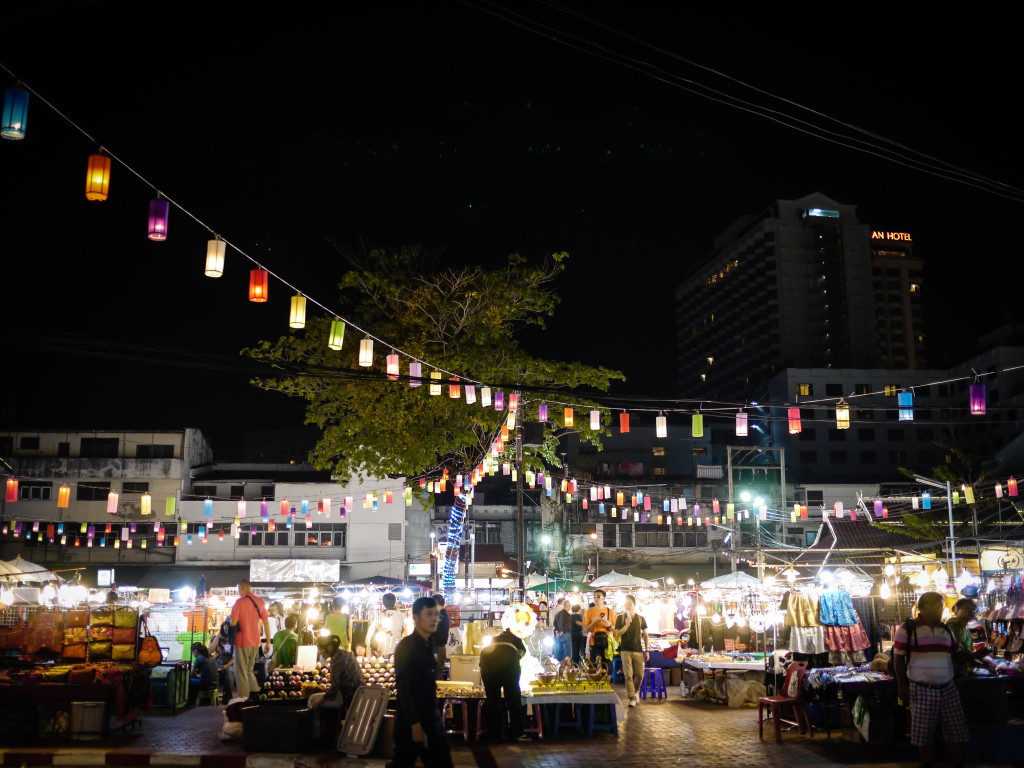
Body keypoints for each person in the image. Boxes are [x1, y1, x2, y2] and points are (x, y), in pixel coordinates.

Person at [893, 591, 987, 768]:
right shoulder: (907, 629)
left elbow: (957, 656)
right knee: (923, 731)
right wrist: (901, 685)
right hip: (922, 688)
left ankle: (957, 763)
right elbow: (898, 659)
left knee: (955, 729)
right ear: (925, 607)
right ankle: (927, 763)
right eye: (938, 606)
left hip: (948, 687)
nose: (941, 610)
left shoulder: (946, 630)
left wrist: (976, 654)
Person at [392, 596, 452, 768]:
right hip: (410, 725)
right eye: (429, 614)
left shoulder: (431, 646)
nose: (434, 619)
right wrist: (415, 725)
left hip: (431, 722)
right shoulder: (406, 647)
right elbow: (403, 687)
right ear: (416, 618)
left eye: (435, 614)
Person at [479, 627, 528, 741]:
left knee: (492, 700)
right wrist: (515, 661)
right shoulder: (516, 639)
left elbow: (482, 663)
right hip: (508, 664)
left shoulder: (494, 639)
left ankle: (494, 734)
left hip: (487, 661)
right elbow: (521, 653)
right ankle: (517, 733)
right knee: (513, 698)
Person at [230, 579, 271, 702]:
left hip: (241, 642)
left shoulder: (239, 602)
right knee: (249, 670)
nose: (238, 592)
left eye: (238, 589)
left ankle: (243, 699)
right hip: (255, 642)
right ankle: (256, 696)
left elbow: (233, 623)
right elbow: (266, 623)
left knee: (241, 672)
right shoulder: (260, 601)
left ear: (242, 588)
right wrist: (268, 642)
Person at [309, 633, 364, 713]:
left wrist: (319, 702)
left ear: (329, 647)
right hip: (358, 693)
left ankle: (314, 725)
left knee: (312, 700)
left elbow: (334, 688)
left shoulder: (336, 659)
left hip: (349, 696)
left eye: (321, 649)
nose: (320, 652)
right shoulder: (345, 654)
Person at [613, 595, 650, 707]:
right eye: (626, 604)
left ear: (634, 604)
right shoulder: (620, 618)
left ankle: (635, 691)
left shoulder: (640, 619)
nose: (627, 606)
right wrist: (627, 624)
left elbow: (646, 635)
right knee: (628, 675)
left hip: (638, 650)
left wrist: (647, 650)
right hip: (625, 650)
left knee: (640, 674)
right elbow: (617, 633)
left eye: (629, 603)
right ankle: (632, 697)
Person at [946, 599, 981, 677]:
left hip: (963, 673)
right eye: (967, 608)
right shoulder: (951, 627)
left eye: (974, 609)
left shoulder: (967, 632)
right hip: (952, 674)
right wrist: (976, 655)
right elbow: (956, 655)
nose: (972, 610)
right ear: (958, 610)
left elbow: (968, 654)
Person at [583, 590, 615, 671]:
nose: (595, 598)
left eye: (598, 596)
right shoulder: (589, 612)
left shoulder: (611, 612)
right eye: (594, 596)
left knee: (607, 670)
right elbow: (585, 630)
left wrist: (609, 625)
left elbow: (616, 630)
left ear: (603, 598)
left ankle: (607, 683)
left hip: (607, 644)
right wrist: (595, 621)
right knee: (596, 669)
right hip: (594, 644)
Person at [433, 594, 451, 681]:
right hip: (440, 647)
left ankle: (437, 692)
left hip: (438, 648)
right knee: (437, 671)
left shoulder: (440, 616)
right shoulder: (443, 614)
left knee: (437, 673)